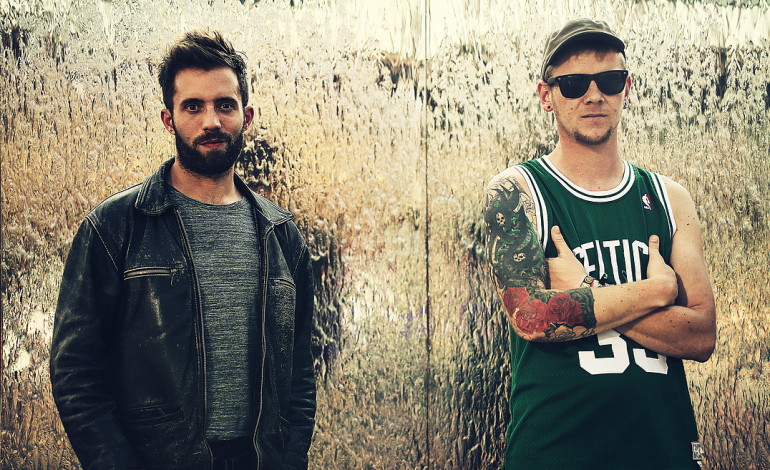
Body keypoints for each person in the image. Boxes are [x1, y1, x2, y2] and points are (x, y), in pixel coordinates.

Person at [50, 31, 315, 470]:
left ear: (246, 116)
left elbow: (300, 378)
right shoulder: (115, 228)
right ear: (168, 119)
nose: (211, 121)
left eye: (225, 105)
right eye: (193, 106)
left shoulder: (282, 236)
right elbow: (75, 373)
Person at [484, 19, 716, 470]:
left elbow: (702, 335)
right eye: (573, 84)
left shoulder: (670, 198)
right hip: (555, 454)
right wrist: (655, 291)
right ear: (546, 95)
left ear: (626, 88)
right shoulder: (517, 192)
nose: (593, 95)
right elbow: (531, 317)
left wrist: (587, 288)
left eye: (608, 80)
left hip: (664, 453)